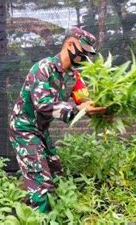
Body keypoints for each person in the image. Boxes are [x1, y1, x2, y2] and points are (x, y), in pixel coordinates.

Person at [8, 27, 106, 213]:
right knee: (42, 183)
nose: (85, 57)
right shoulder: (43, 69)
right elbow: (43, 105)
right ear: (70, 45)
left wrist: (97, 107)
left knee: (56, 171)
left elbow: (82, 100)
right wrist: (77, 109)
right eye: (83, 52)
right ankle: (39, 216)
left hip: (40, 130)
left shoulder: (72, 75)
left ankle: (26, 205)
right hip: (24, 129)